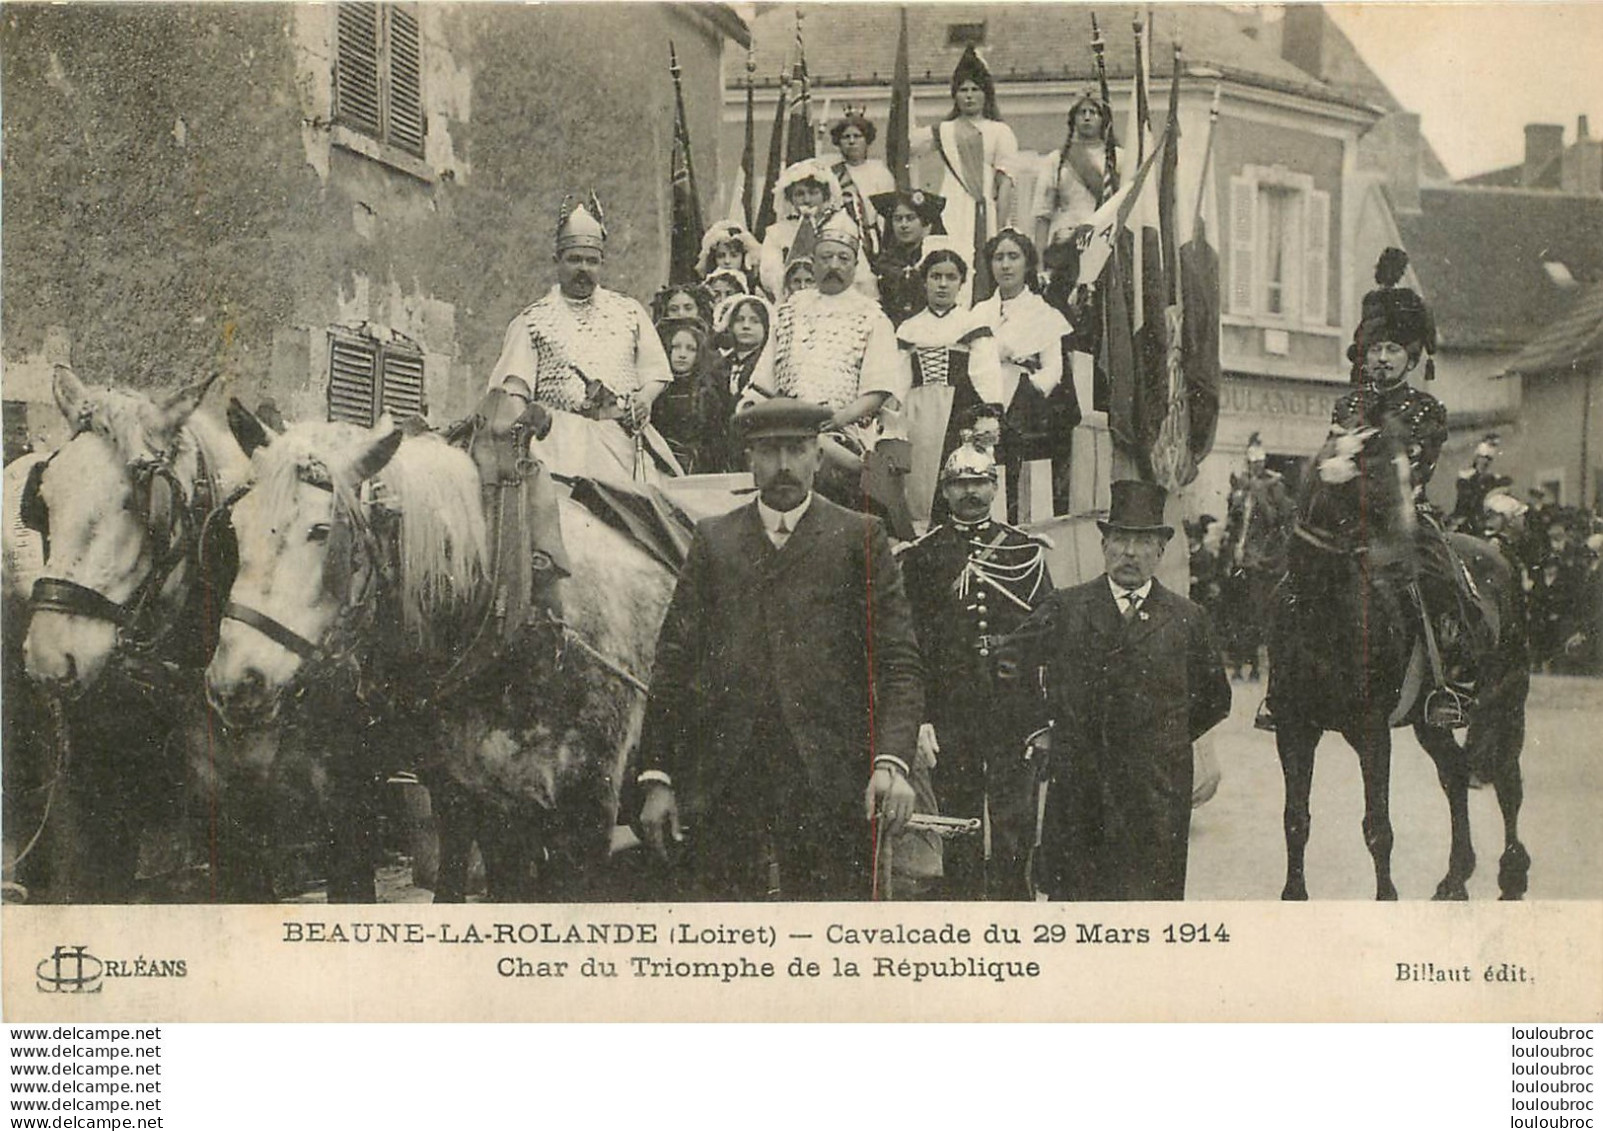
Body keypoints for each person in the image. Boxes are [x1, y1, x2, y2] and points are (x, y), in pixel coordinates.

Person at [634, 397, 923, 900]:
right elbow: (674, 663)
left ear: (818, 456)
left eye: (797, 450)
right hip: (725, 780)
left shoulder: (859, 538)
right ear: (750, 458)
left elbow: (898, 663)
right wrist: (657, 776)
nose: (784, 466)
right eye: (769, 451)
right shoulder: (714, 540)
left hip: (830, 779)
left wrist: (890, 762)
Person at [1001, 479, 1231, 901]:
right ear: (1103, 545)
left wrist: (1161, 741)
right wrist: (1038, 727)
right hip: (1080, 792)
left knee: (1147, 919)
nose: (1130, 552)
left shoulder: (1187, 618)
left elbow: (1214, 698)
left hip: (1155, 796)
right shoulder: (1067, 608)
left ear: (1160, 552)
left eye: (1143, 543)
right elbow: (1009, 663)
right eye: (1121, 539)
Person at [897, 444, 1053, 899]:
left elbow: (1048, 629)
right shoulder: (925, 556)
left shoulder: (1023, 550)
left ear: (994, 487)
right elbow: (913, 642)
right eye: (960, 483)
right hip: (953, 712)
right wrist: (921, 717)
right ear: (946, 491)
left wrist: (1043, 715)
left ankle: (1012, 913)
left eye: (980, 481)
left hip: (1014, 711)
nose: (971, 492)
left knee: (1014, 824)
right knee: (959, 823)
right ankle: (963, 911)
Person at [486, 194, 680, 484]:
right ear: (557, 261)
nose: (583, 269)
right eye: (574, 260)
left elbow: (655, 372)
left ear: (602, 263)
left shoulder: (629, 312)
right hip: (559, 444)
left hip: (622, 440)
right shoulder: (532, 321)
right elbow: (514, 391)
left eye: (592, 261)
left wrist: (645, 399)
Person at [745, 208, 912, 536]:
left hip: (845, 431)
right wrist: (752, 405)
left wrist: (837, 419)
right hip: (787, 422)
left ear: (854, 265)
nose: (834, 266)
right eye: (825, 258)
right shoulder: (791, 310)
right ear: (814, 261)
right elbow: (764, 381)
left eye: (842, 259)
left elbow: (878, 392)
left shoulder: (872, 317)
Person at [895, 248, 1004, 528]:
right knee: (917, 482)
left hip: (960, 413)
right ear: (924, 281)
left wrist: (988, 415)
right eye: (935, 276)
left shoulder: (972, 324)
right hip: (917, 415)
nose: (943, 284)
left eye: (951, 277)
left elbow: (986, 375)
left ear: (961, 283)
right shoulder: (910, 327)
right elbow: (898, 381)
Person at [971, 229, 1075, 523]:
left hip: (1026, 410)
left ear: (1027, 264)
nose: (1005, 265)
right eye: (998, 258)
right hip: (983, 405)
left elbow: (1053, 370)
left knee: (1024, 491)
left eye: (1013, 257)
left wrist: (1025, 392)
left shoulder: (1043, 313)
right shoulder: (979, 311)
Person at [911, 46, 1018, 304]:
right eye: (963, 90)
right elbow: (908, 147)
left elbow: (1005, 183)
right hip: (951, 206)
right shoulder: (944, 131)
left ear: (986, 94)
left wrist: (1002, 227)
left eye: (975, 89)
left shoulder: (999, 131)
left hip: (985, 209)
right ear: (955, 95)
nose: (969, 96)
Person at [1033, 88, 1118, 319]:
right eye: (1082, 112)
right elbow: (1042, 214)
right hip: (1065, 246)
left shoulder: (1117, 158)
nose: (1088, 117)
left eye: (1094, 112)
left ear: (1104, 119)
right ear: (1073, 118)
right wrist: (1040, 265)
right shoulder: (1057, 160)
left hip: (1105, 243)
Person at [1227, 433, 1293, 682]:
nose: (1255, 466)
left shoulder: (1273, 484)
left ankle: (1255, 665)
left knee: (1256, 612)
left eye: (1259, 461)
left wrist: (1259, 494)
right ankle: (1237, 663)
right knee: (1235, 611)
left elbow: (1277, 519)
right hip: (1238, 557)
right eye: (1251, 461)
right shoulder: (1242, 483)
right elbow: (1234, 521)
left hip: (1259, 560)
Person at [758, 158, 845, 301]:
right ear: (790, 198)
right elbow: (769, 274)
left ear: (825, 195)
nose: (807, 200)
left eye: (813, 193)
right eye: (800, 194)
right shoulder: (777, 233)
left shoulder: (840, 226)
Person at [869, 188, 952, 327]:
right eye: (898, 219)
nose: (903, 225)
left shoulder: (936, 258)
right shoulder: (883, 262)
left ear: (925, 224)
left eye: (910, 218)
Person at [653, 318, 722, 474]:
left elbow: (714, 440)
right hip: (661, 464)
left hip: (698, 467)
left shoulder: (706, 392)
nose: (682, 354)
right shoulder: (657, 390)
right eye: (676, 347)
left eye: (690, 349)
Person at [828, 107, 896, 261]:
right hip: (843, 239)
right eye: (846, 137)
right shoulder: (832, 175)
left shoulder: (880, 172)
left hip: (875, 239)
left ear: (867, 140)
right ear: (838, 142)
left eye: (857, 136)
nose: (852, 141)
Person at [1449, 433, 1512, 536]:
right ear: (1477, 459)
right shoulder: (1467, 476)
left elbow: (1505, 483)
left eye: (1488, 460)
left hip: (1480, 518)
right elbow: (1465, 497)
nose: (1485, 463)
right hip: (1466, 516)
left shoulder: (1490, 478)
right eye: (1483, 459)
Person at [697, 220, 761, 294]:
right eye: (721, 256)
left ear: (743, 257)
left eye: (734, 256)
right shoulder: (708, 284)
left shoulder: (751, 287)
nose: (727, 261)